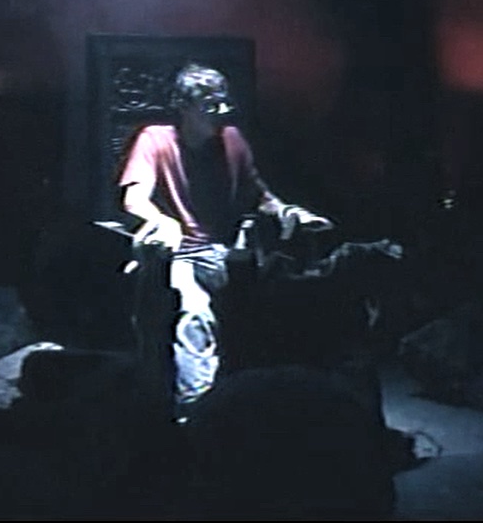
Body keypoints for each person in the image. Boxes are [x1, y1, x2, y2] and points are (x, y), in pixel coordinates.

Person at [116, 62, 332, 411]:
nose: (222, 111)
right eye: (210, 104)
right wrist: (161, 221)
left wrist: (289, 212)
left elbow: (259, 194)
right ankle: (196, 406)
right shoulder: (155, 139)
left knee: (286, 303)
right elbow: (134, 198)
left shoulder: (232, 139)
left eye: (224, 102)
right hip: (181, 253)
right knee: (195, 313)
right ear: (184, 106)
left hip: (227, 251)